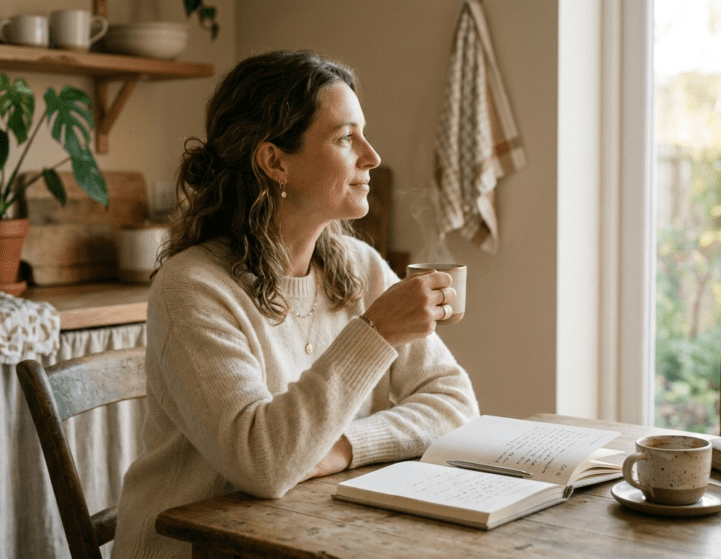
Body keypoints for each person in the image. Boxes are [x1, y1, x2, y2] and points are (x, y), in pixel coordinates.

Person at [112, 50, 480, 558]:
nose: (371, 156)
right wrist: (375, 333)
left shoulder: (360, 265)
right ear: (274, 161)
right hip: (195, 550)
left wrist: (340, 448)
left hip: (312, 533)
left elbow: (455, 404)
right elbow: (263, 464)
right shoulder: (192, 288)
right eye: (346, 138)